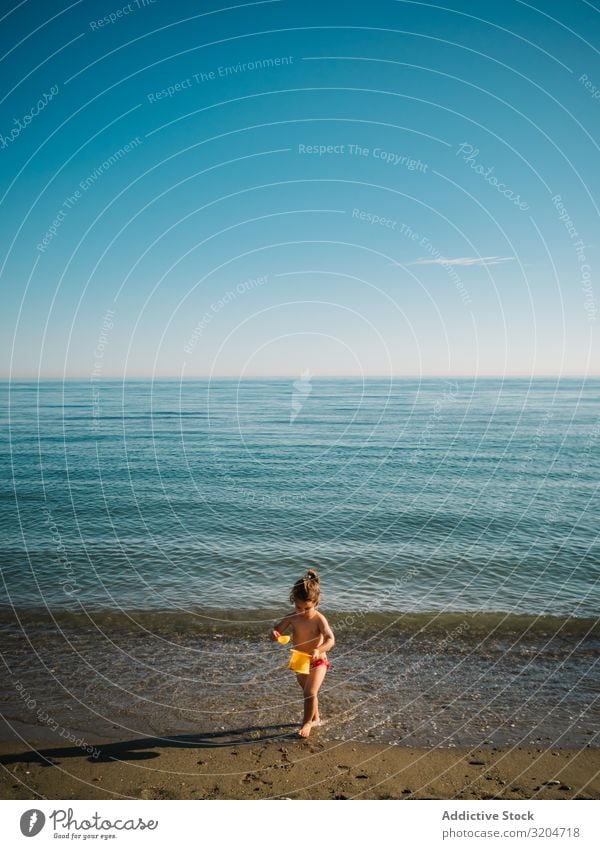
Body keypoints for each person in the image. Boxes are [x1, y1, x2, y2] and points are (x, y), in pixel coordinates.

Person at [269, 569, 335, 738]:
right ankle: (316, 718)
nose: (302, 611)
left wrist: (318, 650)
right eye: (298, 607)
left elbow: (330, 640)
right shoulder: (293, 617)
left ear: (316, 603)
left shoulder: (319, 619)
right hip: (300, 661)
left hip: (318, 660)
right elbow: (276, 631)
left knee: (310, 692)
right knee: (309, 694)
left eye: (307, 608)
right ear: (294, 602)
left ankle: (306, 724)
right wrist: (275, 635)